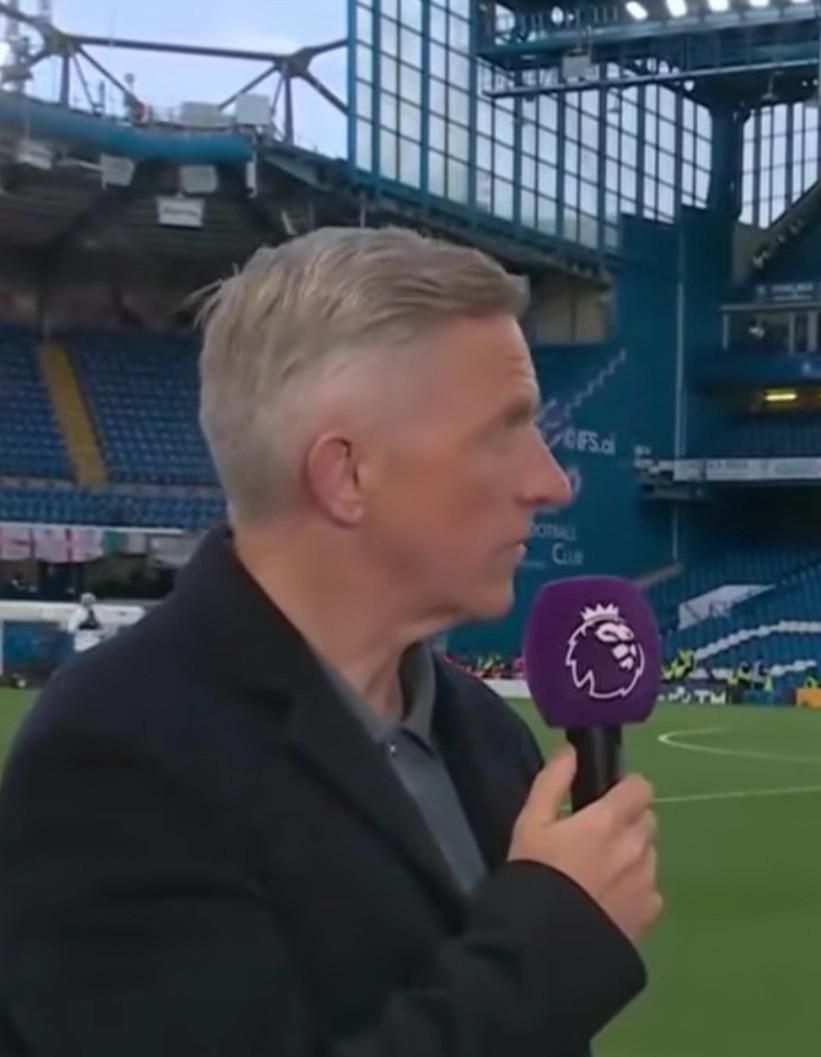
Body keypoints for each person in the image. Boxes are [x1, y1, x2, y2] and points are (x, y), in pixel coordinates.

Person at [0, 228, 662, 1056]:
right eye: (503, 432)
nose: (551, 482)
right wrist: (551, 943)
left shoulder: (489, 734)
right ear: (345, 475)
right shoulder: (114, 760)